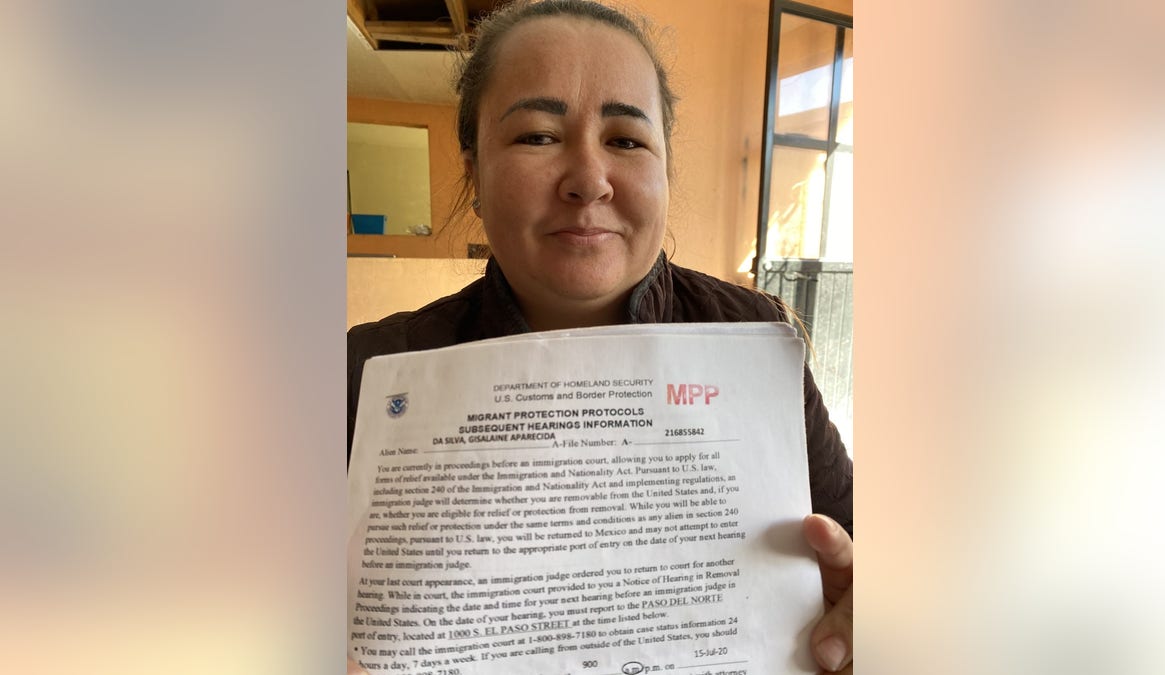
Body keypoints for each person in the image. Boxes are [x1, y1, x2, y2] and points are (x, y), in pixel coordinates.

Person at [347, 1, 853, 672]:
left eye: (625, 139)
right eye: (536, 135)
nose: (588, 180)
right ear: (474, 170)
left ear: (665, 169)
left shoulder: (755, 338)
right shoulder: (370, 370)